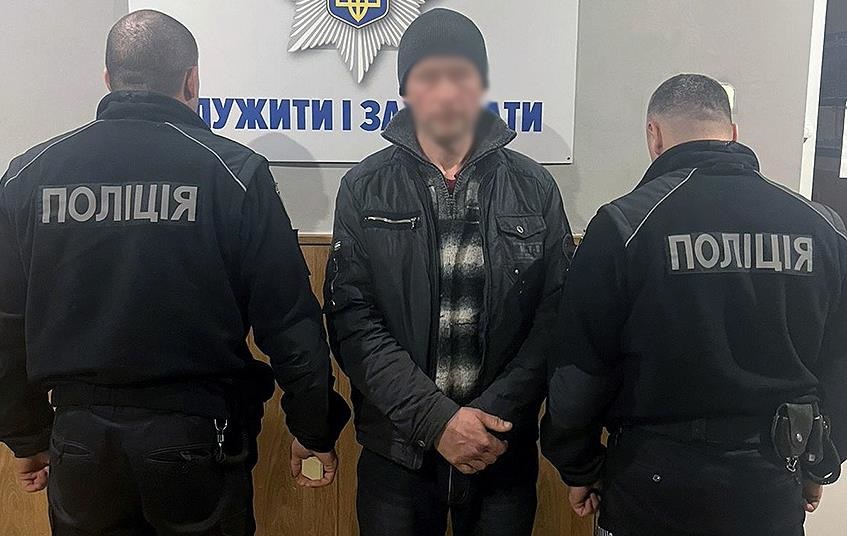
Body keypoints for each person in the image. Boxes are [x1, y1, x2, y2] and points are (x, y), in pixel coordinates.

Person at [0, 9, 349, 535]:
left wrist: (25, 435)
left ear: (108, 79)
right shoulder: (233, 174)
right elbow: (288, 319)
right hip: (198, 440)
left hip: (78, 442)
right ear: (192, 81)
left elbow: (5, 323)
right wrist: (313, 428)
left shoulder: (29, 174)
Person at [542, 73, 846, 536]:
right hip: (772, 479)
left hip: (651, 482)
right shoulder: (822, 227)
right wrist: (821, 461)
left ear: (654, 134)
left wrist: (579, 467)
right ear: (733, 133)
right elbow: (841, 362)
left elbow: (579, 367)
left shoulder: (625, 226)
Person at [324, 8, 574, 536]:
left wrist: (488, 417)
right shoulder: (363, 188)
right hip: (398, 450)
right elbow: (353, 322)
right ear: (405, 89)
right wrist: (438, 421)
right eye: (428, 76)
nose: (445, 91)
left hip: (500, 445)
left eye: (460, 74)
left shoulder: (534, 188)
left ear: (481, 83)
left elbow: (555, 318)